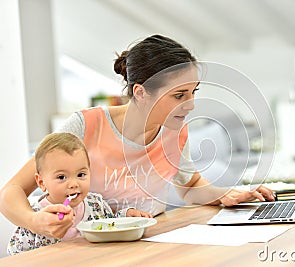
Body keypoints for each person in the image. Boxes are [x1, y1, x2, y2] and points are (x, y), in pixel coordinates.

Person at [0, 34, 275, 240]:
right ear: (141, 93)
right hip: (86, 251)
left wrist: (227, 194)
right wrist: (34, 221)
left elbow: (189, 186)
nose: (190, 105)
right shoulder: (86, 126)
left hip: (148, 244)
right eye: (179, 95)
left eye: (194, 92)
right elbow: (10, 192)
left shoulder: (175, 131)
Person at [7, 132, 151, 255]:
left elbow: (110, 224)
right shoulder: (37, 216)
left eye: (81, 174)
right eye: (61, 177)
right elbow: (16, 254)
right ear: (41, 183)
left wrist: (126, 215)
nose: (74, 184)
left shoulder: (96, 204)